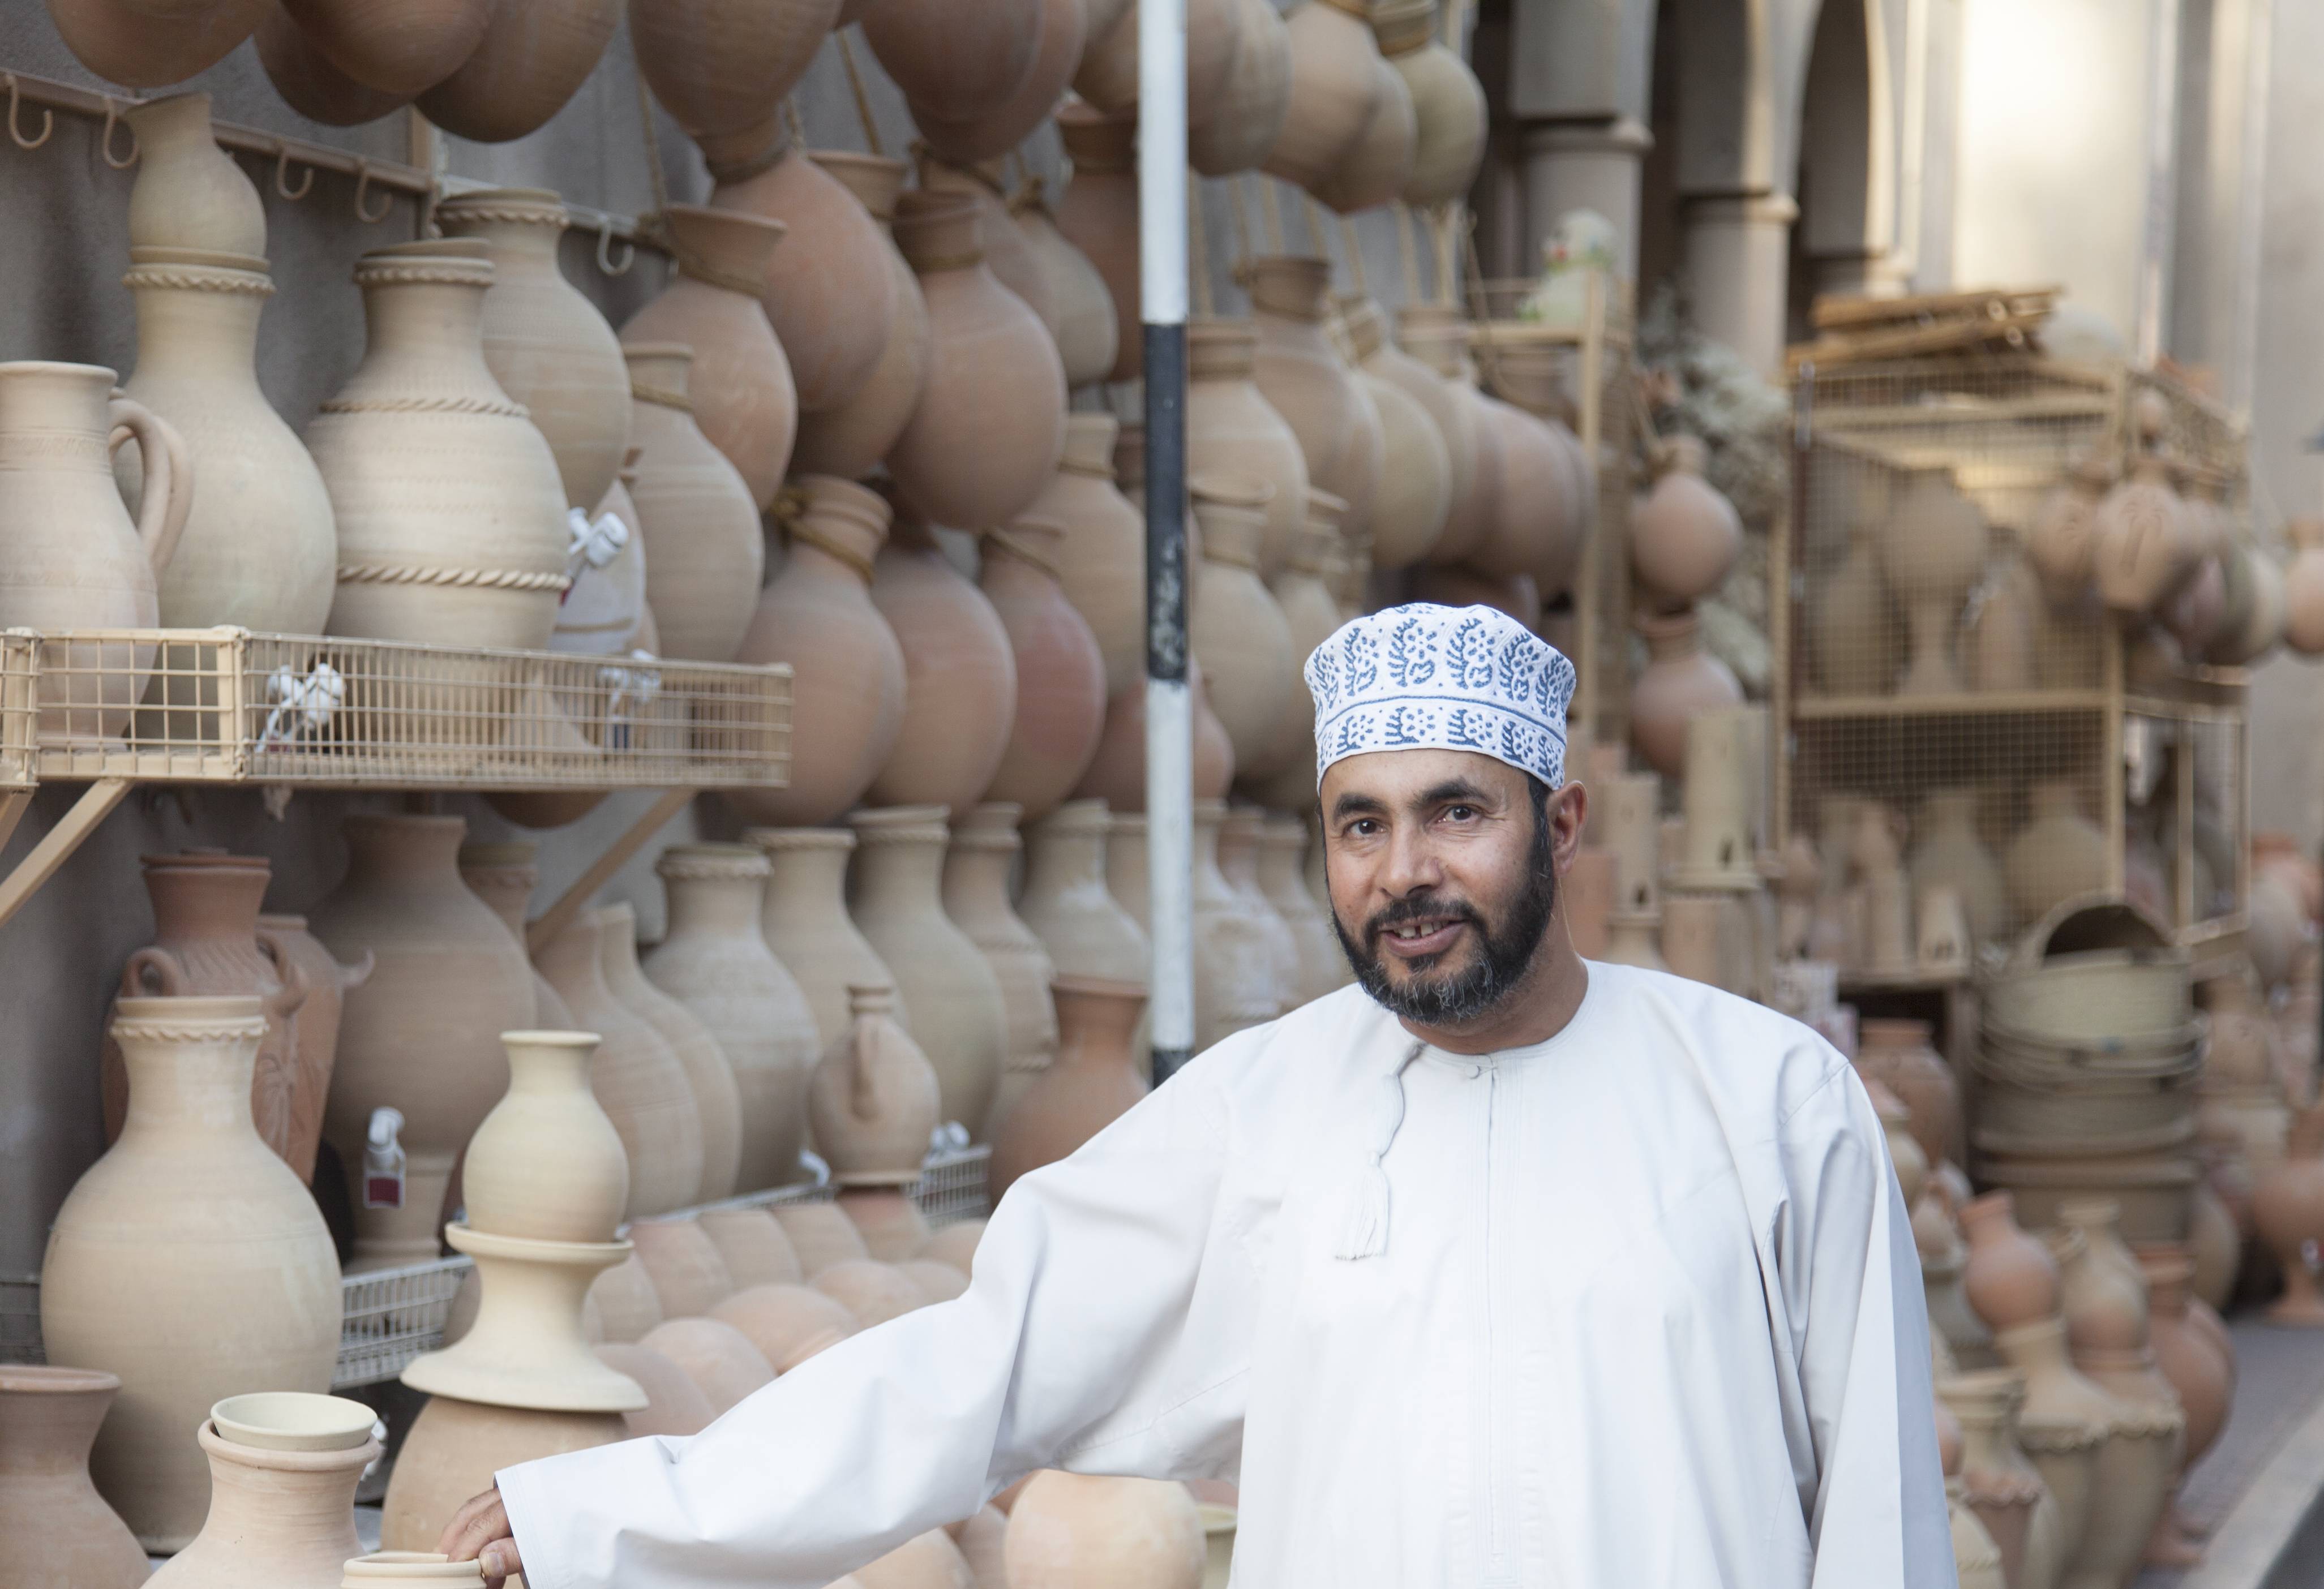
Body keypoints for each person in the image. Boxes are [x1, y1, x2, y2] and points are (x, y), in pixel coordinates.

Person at [441, 602, 1950, 1588]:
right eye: (1360, 826)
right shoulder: (1265, 1111)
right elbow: (981, 1370)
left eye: (1457, 816)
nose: (1403, 871)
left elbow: (1877, 1519)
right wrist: (610, 1517)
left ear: (1557, 821)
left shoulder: (1766, 1103)